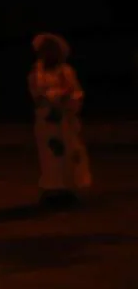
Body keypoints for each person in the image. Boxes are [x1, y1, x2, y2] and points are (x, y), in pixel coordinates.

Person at [29, 33, 90, 208]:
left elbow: (76, 91)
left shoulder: (66, 71)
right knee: (51, 155)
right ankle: (53, 189)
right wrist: (54, 100)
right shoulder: (37, 73)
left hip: (65, 121)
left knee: (70, 153)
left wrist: (68, 101)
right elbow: (38, 94)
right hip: (47, 122)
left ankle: (69, 188)